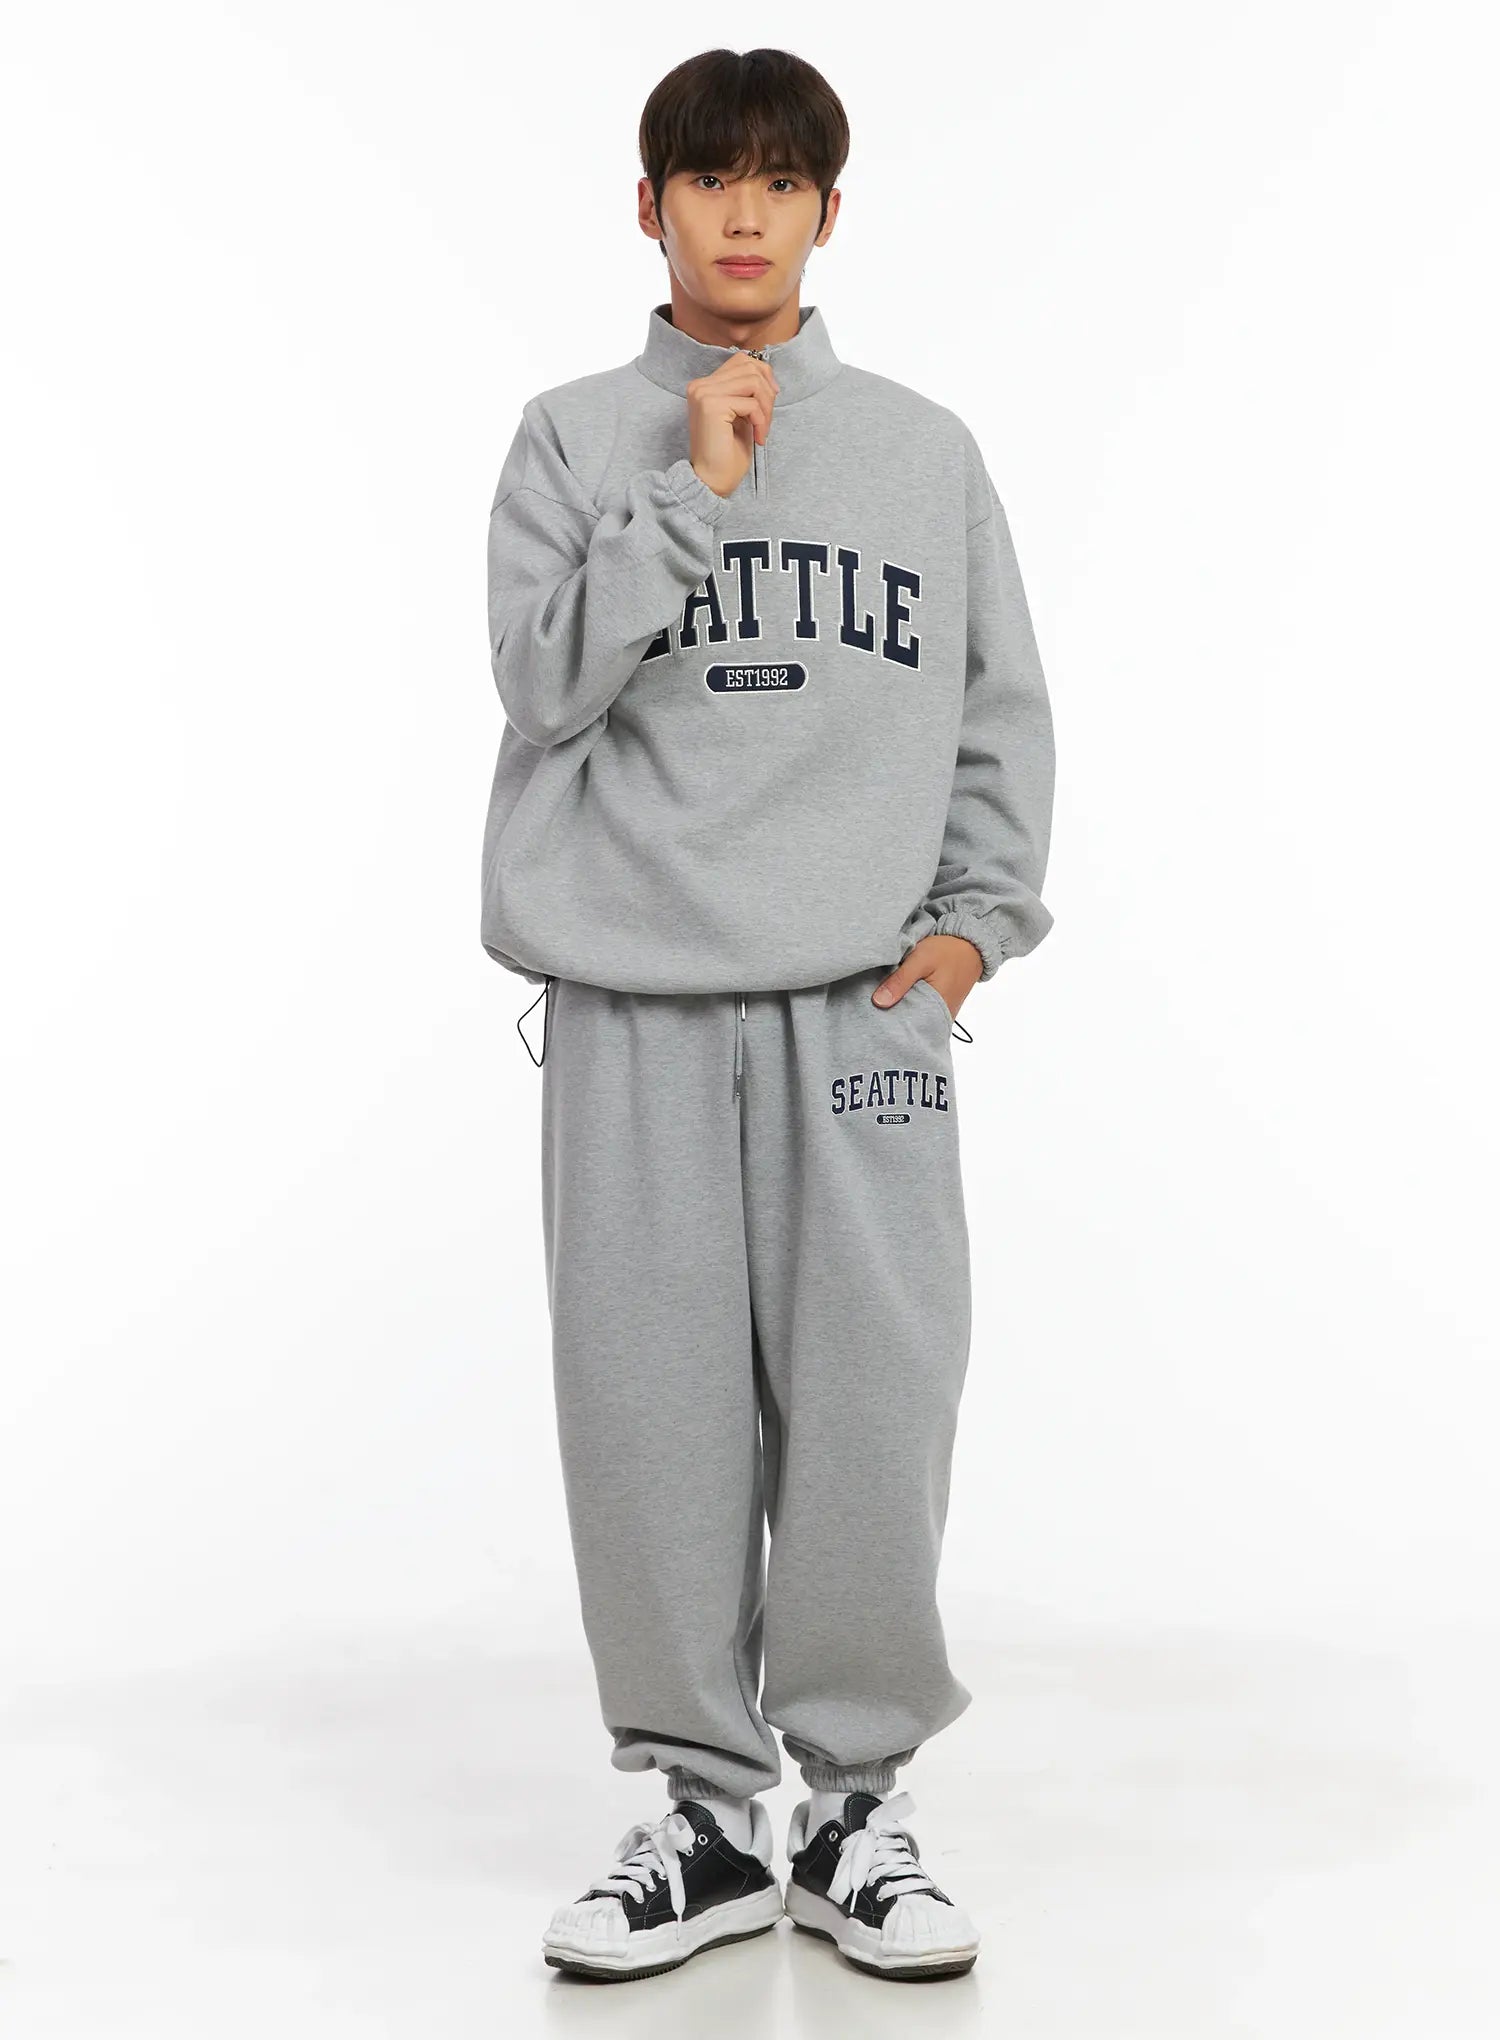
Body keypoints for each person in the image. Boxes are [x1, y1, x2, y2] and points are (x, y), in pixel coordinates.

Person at [480, 46, 1056, 1984]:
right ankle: (712, 1822)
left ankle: (861, 1811)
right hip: (633, 1005)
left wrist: (966, 941)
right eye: (708, 181)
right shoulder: (572, 441)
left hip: (860, 1012)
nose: (745, 214)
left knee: (876, 1417)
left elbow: (997, 716)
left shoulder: (921, 451)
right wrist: (692, 495)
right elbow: (543, 683)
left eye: (781, 181)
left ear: (828, 210)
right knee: (647, 1422)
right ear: (646, 208)